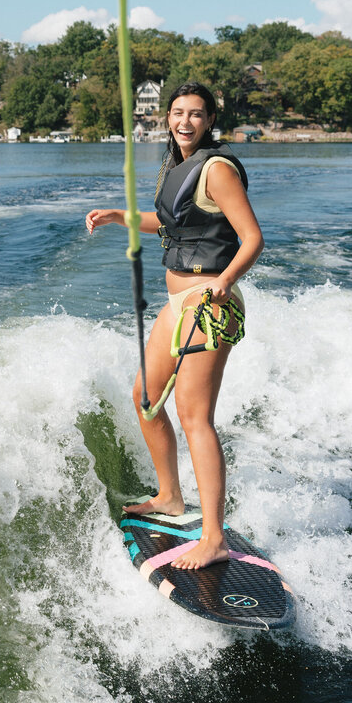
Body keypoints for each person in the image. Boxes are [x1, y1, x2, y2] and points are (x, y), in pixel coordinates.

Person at [86, 82, 263, 570]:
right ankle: (169, 496)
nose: (186, 122)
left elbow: (252, 238)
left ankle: (213, 538)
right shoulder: (175, 168)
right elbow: (169, 226)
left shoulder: (218, 169)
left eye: (197, 114)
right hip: (177, 303)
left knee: (194, 417)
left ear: (209, 121)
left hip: (209, 302)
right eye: (178, 113)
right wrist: (121, 217)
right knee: (146, 399)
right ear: (167, 118)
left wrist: (226, 281)